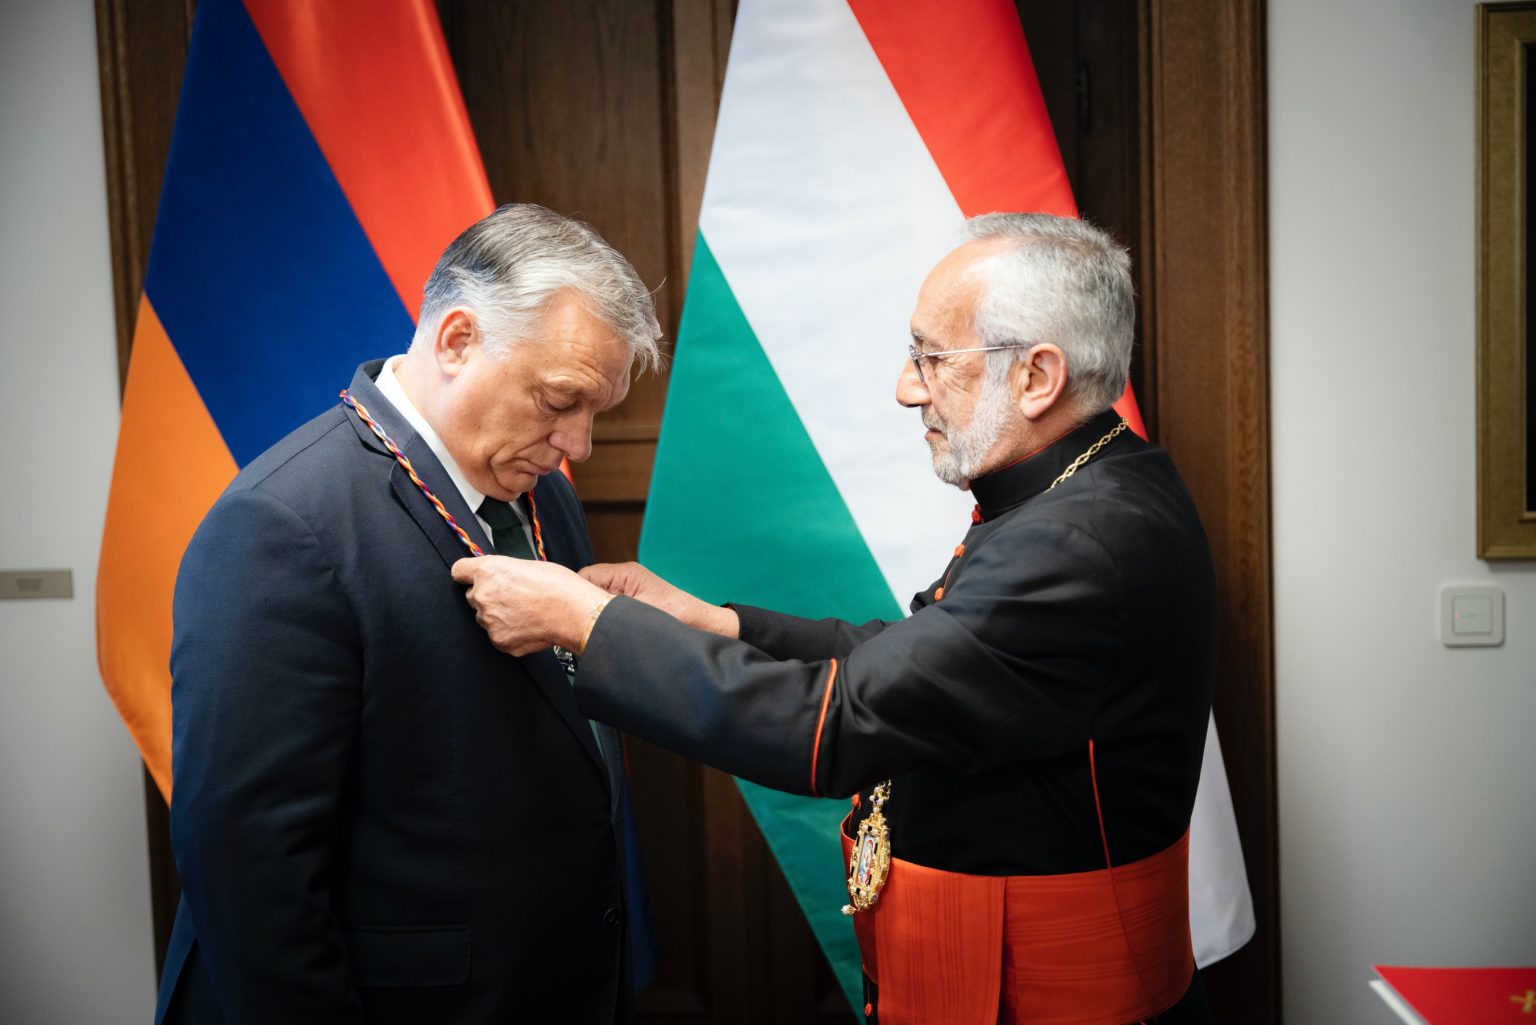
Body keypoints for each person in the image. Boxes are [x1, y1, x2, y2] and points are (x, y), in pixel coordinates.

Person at [452, 213, 1219, 1025]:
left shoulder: (1077, 542)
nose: (907, 388)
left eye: (931, 357)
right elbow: (918, 658)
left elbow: (839, 724)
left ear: (1037, 376)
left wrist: (590, 625)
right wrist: (713, 623)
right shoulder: (1095, 489)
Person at [156, 204, 661, 1025]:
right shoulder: (280, 526)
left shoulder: (543, 498)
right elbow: (251, 878)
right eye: (559, 399)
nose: (580, 444)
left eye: (593, 411)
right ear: (457, 340)